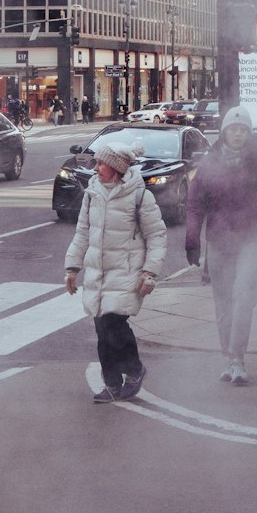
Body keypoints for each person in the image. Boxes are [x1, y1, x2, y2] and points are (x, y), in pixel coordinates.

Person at [63, 140, 167, 403]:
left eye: (101, 163)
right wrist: (72, 268)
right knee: (102, 329)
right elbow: (82, 233)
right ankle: (111, 384)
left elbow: (156, 235)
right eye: (97, 162)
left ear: (117, 168)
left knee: (114, 324)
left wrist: (149, 272)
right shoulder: (92, 193)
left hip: (126, 271)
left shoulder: (140, 196)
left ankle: (134, 370)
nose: (96, 168)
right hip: (98, 273)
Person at [184, 105, 257, 385]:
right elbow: (195, 204)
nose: (237, 134)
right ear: (225, 132)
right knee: (223, 302)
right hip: (220, 242)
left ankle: (238, 358)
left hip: (250, 240)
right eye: (233, 129)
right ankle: (229, 357)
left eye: (242, 130)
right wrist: (192, 240)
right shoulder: (210, 163)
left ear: (248, 133)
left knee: (243, 295)